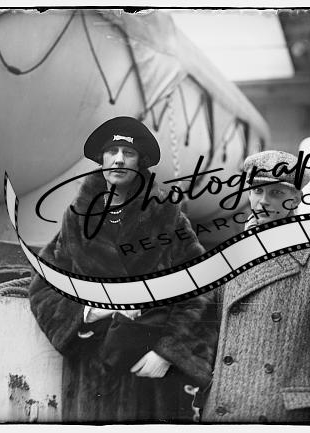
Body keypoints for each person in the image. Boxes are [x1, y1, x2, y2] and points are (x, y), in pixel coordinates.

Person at [28, 116, 217, 422]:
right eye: (111, 151)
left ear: (140, 162)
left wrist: (168, 352)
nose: (118, 159)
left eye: (128, 153)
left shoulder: (167, 216)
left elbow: (201, 286)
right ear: (101, 159)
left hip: (149, 371)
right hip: (92, 374)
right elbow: (43, 286)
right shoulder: (76, 218)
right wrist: (86, 313)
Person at [201, 150, 310, 423]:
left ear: (296, 199)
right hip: (222, 409)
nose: (263, 201)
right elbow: (206, 326)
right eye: (257, 191)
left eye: (276, 193)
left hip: (283, 414)